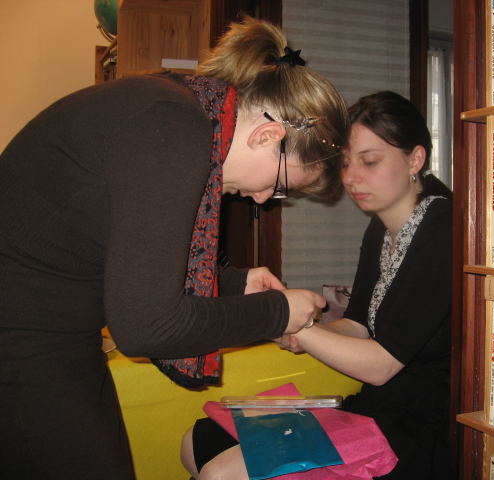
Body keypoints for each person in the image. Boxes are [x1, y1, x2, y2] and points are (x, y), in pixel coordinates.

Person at [0, 16, 348, 480]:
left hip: (48, 331)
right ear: (267, 137)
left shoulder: (179, 107)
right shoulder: (174, 127)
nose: (265, 199)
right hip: (22, 338)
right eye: (281, 185)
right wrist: (276, 312)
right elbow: (148, 327)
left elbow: (135, 260)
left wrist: (235, 283)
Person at [181, 90, 452, 479]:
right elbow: (358, 325)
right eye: (345, 163)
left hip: (418, 427)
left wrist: (290, 323)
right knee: (198, 441)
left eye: (370, 161)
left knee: (221, 472)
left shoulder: (442, 232)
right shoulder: (380, 229)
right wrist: (300, 332)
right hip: (377, 406)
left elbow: (381, 365)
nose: (351, 177)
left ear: (415, 159)